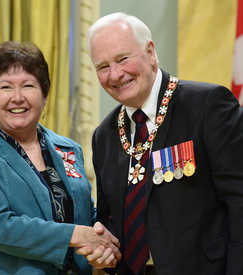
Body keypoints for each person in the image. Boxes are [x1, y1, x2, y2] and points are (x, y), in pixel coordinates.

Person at [85, 12, 243, 275]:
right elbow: (109, 216)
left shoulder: (207, 106)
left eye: (123, 59)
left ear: (150, 52)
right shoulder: (104, 135)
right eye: (103, 66)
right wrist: (103, 244)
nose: (115, 74)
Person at [0, 41, 121, 275]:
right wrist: (76, 235)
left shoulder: (68, 148)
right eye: (6, 87)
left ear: (45, 95)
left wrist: (101, 251)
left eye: (28, 86)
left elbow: (85, 214)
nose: (17, 98)